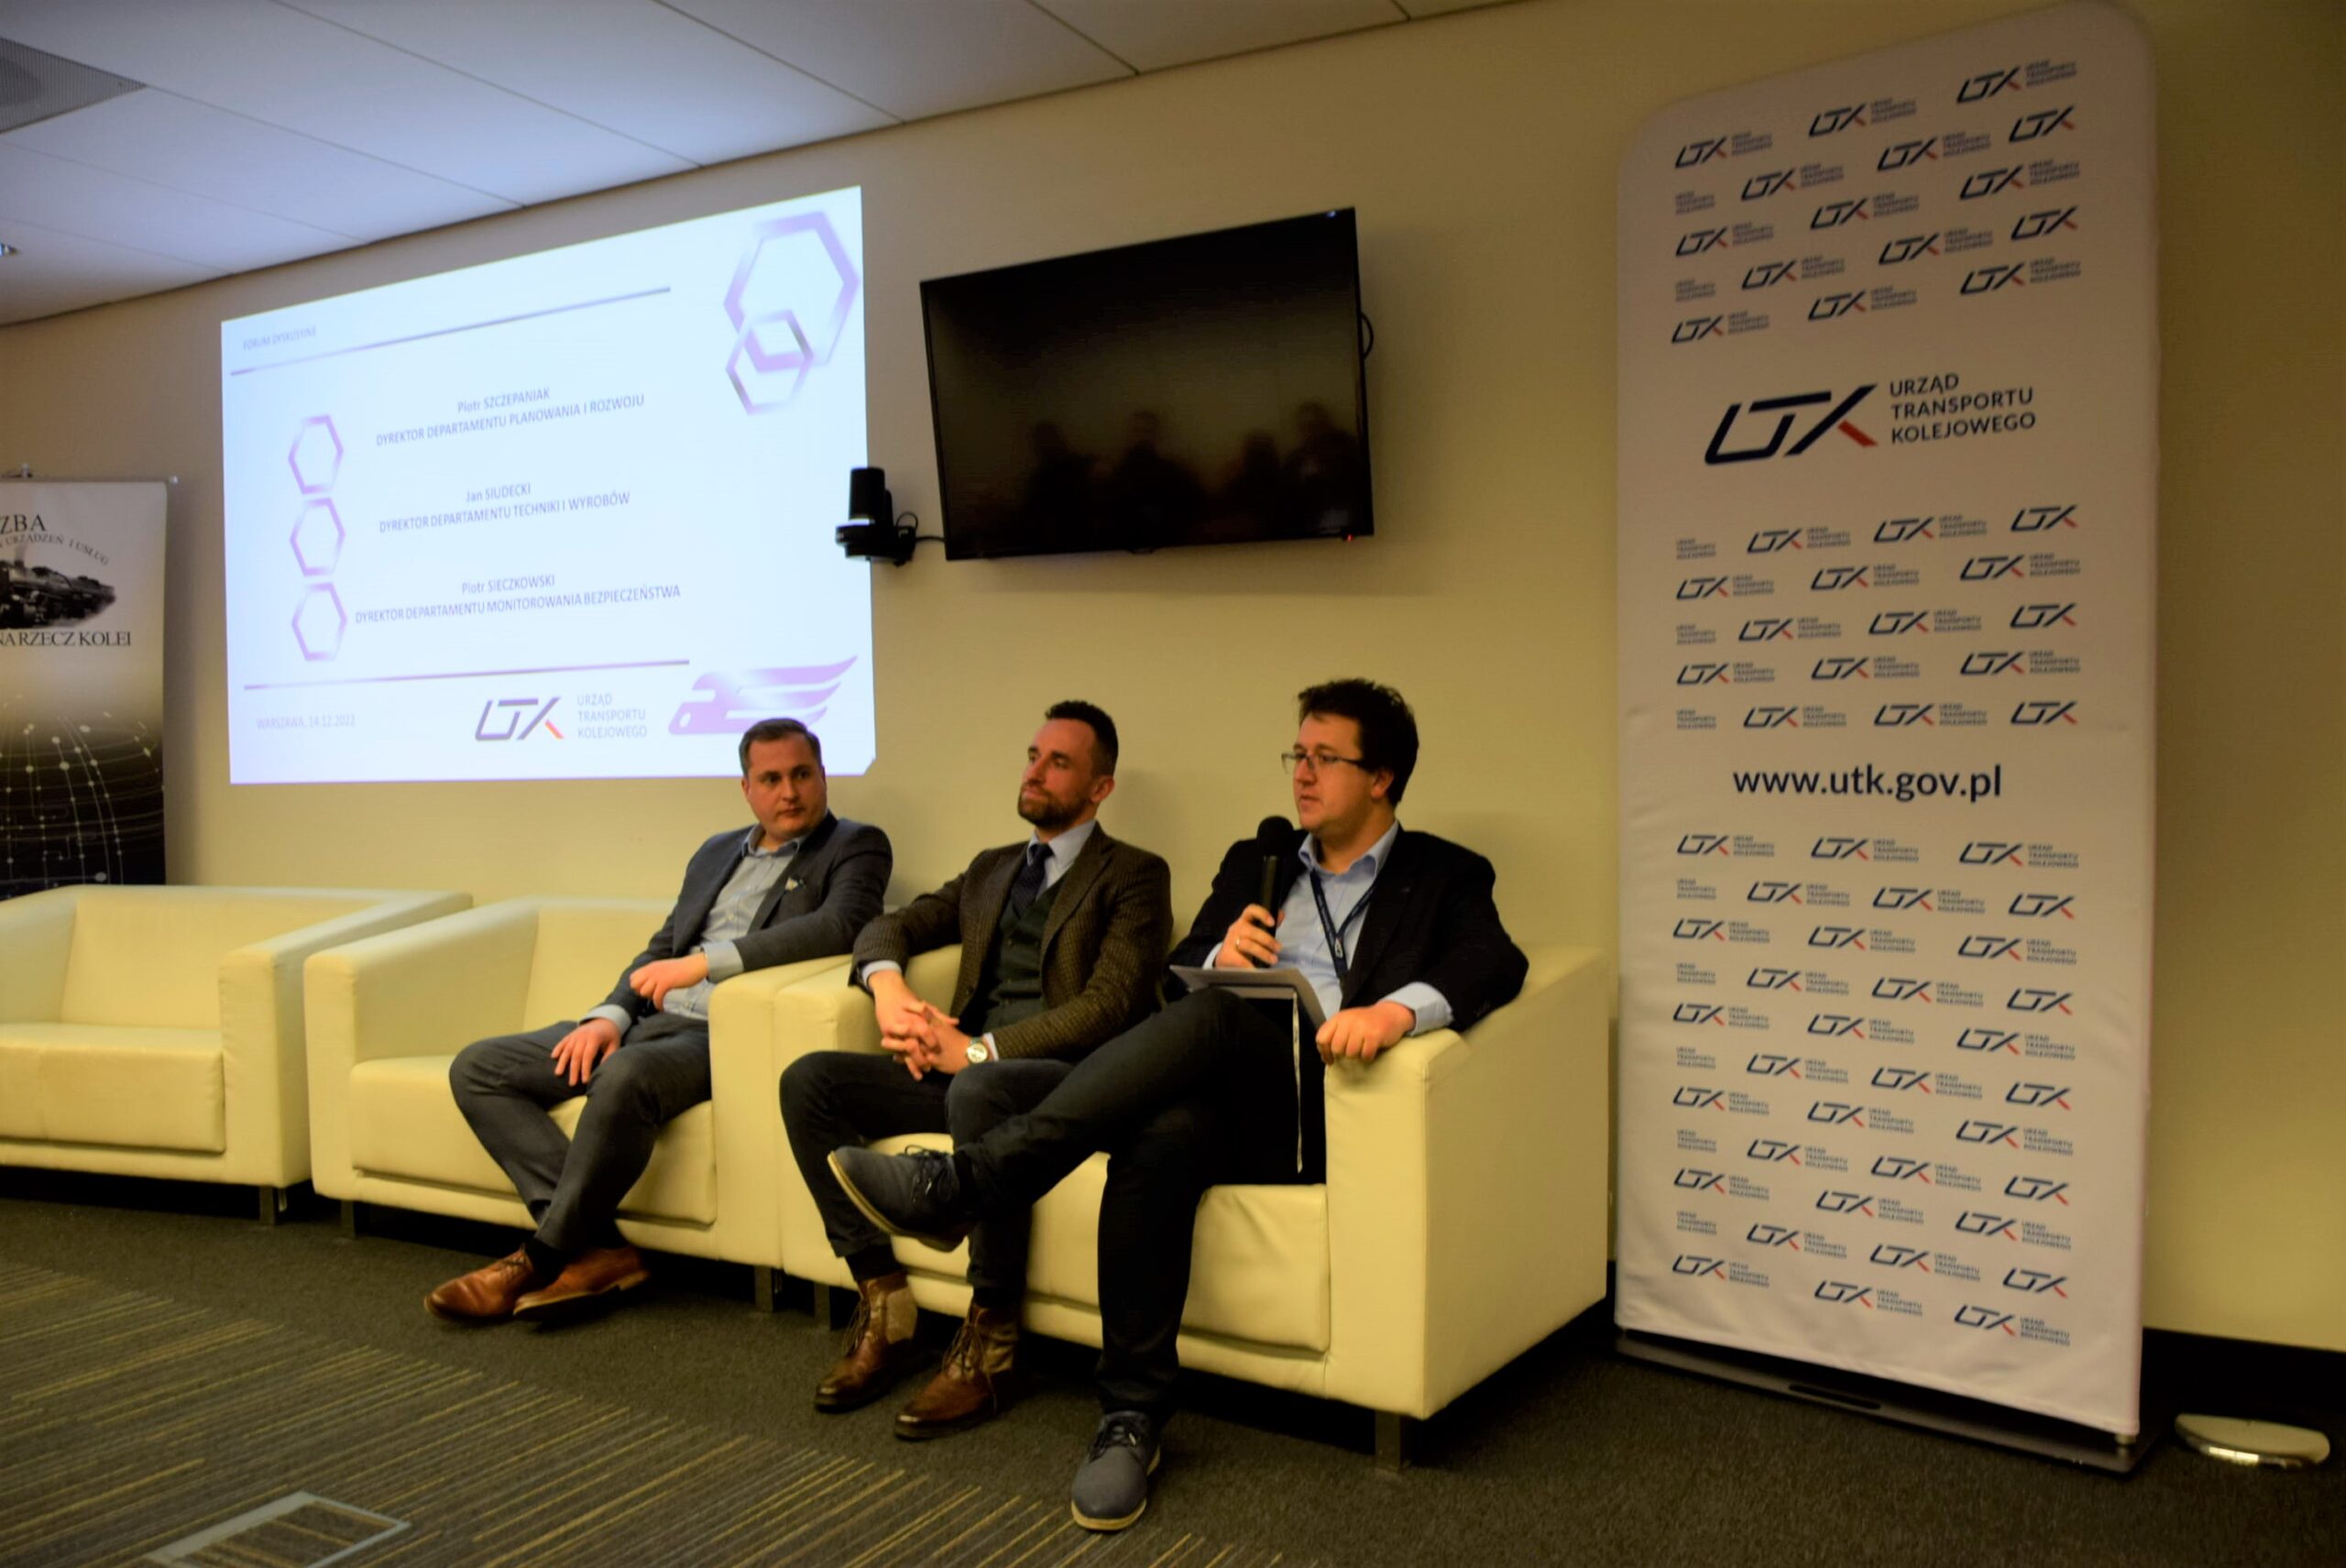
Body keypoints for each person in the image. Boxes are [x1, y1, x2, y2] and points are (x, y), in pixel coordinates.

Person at [828, 679, 1527, 1530]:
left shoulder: (1445, 873)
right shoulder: (1259, 858)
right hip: (1211, 1095)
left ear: (1381, 778)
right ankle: (1131, 1417)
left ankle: (966, 1183)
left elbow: (1496, 961)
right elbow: (1177, 973)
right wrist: (1223, 952)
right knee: (1151, 1133)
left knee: (1215, 1016)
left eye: (1325, 758)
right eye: (1297, 754)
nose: (1302, 774)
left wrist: (1393, 1012)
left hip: (1318, 1107)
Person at [781, 700, 1174, 1439]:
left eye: (1059, 761)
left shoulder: (1134, 874)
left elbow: (1110, 1007)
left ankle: (993, 1337)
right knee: (809, 1082)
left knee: (981, 1088)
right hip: (963, 1074)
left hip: (1060, 1081)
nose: (1035, 770)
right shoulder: (993, 868)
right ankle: (886, 1301)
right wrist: (890, 990)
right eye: (1033, 755)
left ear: (1100, 788)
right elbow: (889, 925)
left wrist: (977, 1050)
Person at [425, 718, 890, 1324]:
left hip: (716, 1036)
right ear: (746, 788)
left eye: (802, 774)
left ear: (823, 776)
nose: (789, 792)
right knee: (480, 1068)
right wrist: (610, 1017)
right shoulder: (716, 851)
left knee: (625, 1075)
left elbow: (839, 926)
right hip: (649, 1022)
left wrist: (705, 963)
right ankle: (599, 1248)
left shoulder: (856, 845)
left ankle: (541, 1256)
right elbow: (662, 946)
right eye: (771, 779)